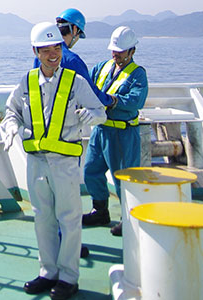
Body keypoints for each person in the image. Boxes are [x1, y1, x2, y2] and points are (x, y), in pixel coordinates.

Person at [0, 22, 106, 300]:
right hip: (36, 162)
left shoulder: (76, 82)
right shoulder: (26, 82)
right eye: (46, 49)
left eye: (56, 47)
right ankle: (48, 272)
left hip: (65, 163)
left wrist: (91, 116)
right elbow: (11, 111)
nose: (52, 54)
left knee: (70, 219)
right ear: (35, 51)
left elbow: (100, 112)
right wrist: (10, 126)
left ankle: (69, 277)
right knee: (42, 218)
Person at [82, 26, 149, 236]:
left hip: (122, 134)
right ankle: (100, 211)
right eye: (113, 50)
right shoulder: (102, 67)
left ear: (132, 51)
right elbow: (87, 86)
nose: (115, 54)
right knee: (91, 171)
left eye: (120, 51)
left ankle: (128, 220)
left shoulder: (138, 74)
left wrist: (113, 100)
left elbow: (136, 100)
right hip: (100, 130)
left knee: (124, 179)